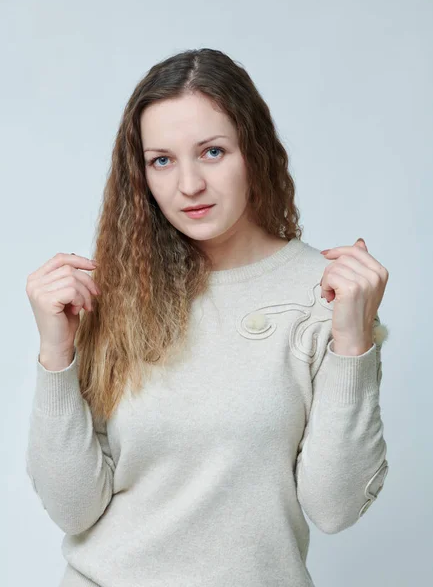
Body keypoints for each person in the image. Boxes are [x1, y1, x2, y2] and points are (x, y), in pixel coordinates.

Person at [25, 48, 390, 587]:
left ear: (254, 152)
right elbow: (72, 507)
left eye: (212, 152)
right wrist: (56, 353)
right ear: (141, 174)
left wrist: (354, 342)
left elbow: (335, 508)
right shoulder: (114, 294)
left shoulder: (327, 295)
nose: (188, 184)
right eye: (162, 160)